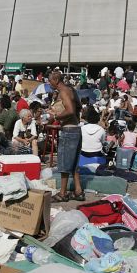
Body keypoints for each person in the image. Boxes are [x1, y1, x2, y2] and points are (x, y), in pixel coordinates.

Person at [49, 70, 85, 202]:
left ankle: (62, 193)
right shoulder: (70, 90)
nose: (49, 82)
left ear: (56, 80)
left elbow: (70, 110)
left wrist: (55, 117)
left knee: (64, 164)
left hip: (69, 131)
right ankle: (78, 191)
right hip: (75, 129)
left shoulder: (63, 91)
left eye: (50, 80)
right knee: (74, 164)